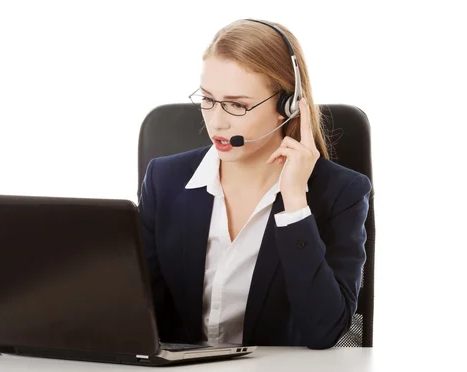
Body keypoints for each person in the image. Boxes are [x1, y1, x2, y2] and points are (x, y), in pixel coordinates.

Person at [138, 18, 372, 350]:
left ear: (287, 106)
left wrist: (294, 203)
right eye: (207, 99)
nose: (217, 121)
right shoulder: (164, 180)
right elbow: (142, 311)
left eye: (237, 105)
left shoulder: (341, 193)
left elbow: (324, 331)